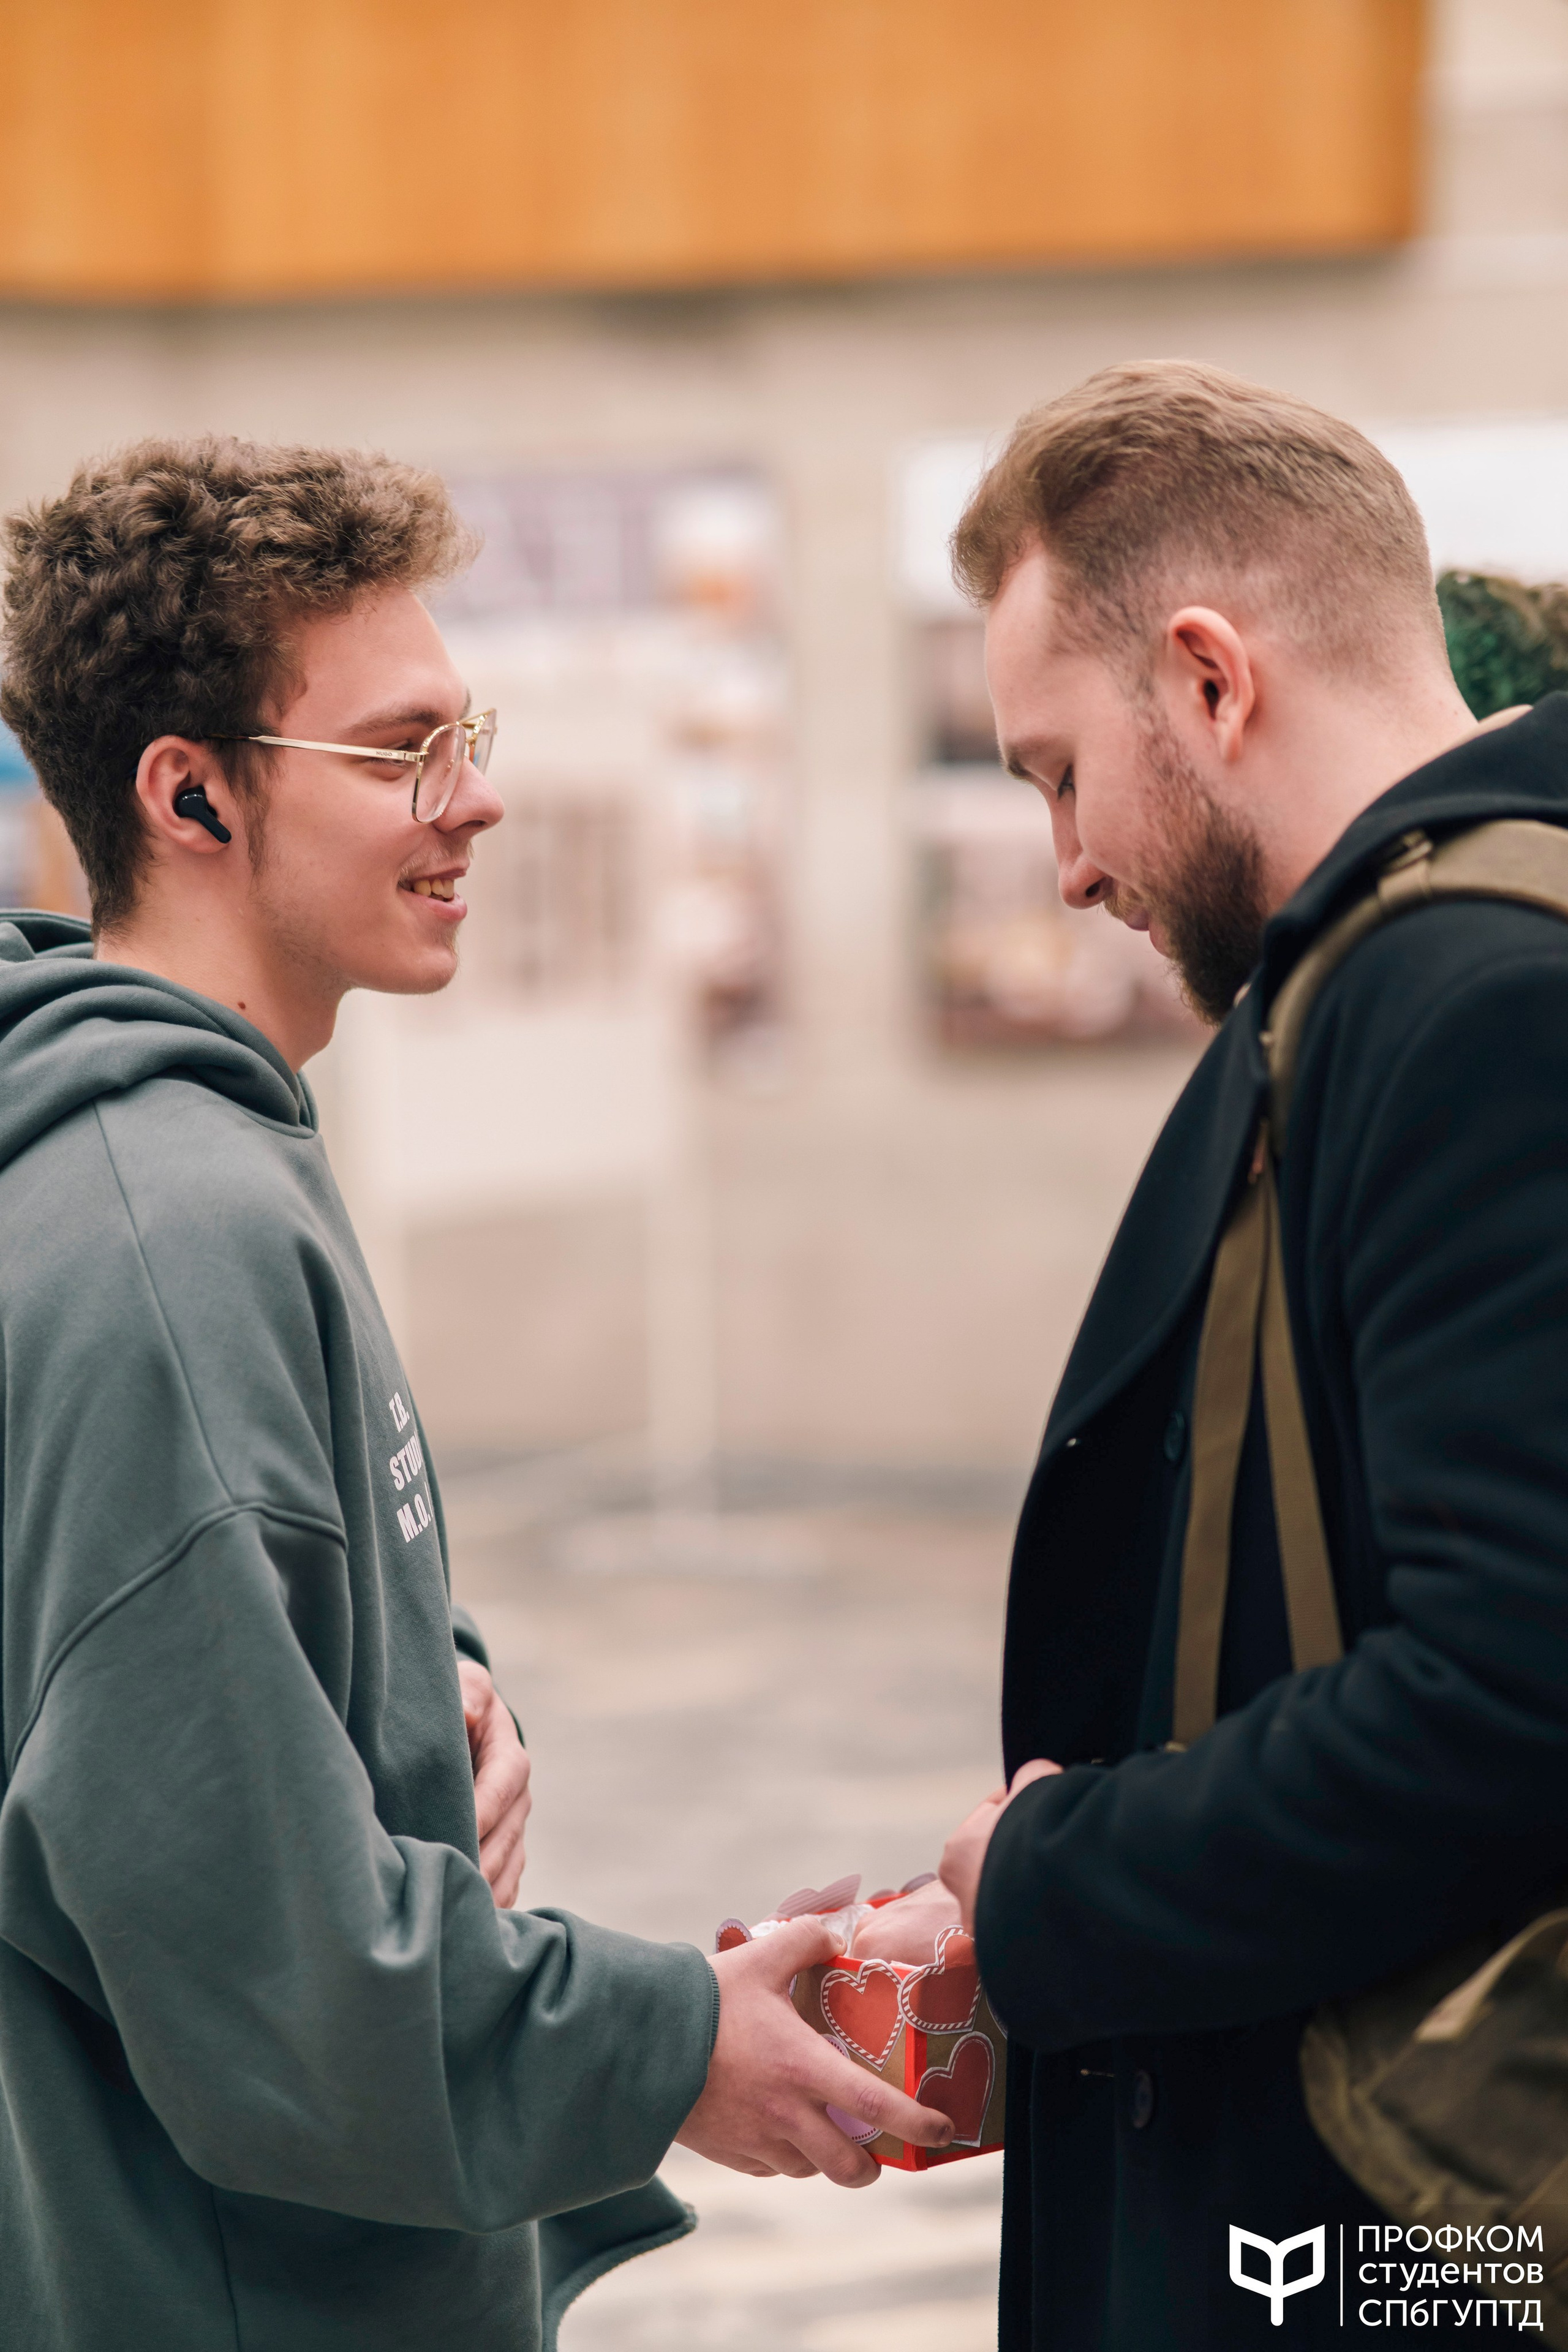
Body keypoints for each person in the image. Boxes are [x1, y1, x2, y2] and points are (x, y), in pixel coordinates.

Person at [0, 436, 950, 2352]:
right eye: (405, 749)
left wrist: (411, 1683)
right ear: (190, 794)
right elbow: (262, 1952)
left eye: (474, 729)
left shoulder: (182, 1150)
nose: (482, 799)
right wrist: (679, 2043)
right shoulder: (162, 1227)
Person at [930, 360, 1568, 2346]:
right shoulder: (1431, 957)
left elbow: (1513, 1694)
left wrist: (1052, 1880)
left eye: (1052, 770)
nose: (1069, 865)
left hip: (1386, 2223)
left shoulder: (1461, 997)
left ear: (1209, 680)